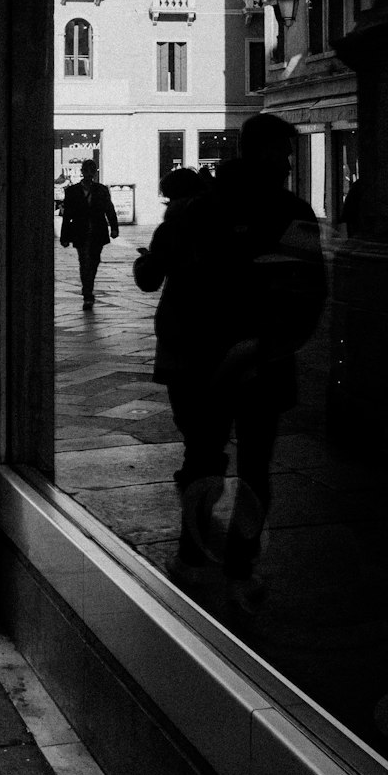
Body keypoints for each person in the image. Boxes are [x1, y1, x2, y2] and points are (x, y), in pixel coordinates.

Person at [134, 114, 325, 609]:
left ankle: (190, 559)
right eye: (282, 152)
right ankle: (241, 570)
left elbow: (150, 279)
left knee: (201, 461)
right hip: (263, 361)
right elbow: (307, 295)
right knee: (256, 468)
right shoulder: (292, 211)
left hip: (204, 364)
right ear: (261, 151)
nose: (287, 161)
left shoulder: (193, 213)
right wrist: (268, 345)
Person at [59, 158, 119, 310]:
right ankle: (87, 294)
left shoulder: (102, 190)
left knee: (94, 261)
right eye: (86, 171)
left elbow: (109, 210)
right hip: (80, 231)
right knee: (84, 261)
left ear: (94, 172)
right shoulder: (72, 191)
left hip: (97, 231)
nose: (89, 174)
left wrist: (114, 227)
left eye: (91, 171)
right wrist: (64, 236)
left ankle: (88, 287)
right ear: (82, 172)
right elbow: (67, 216)